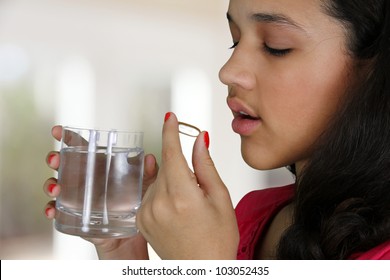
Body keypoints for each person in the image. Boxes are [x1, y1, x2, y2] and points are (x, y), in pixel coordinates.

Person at [43, 0, 390, 259]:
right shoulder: (251, 216)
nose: (228, 71)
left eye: (275, 46)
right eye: (234, 41)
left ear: (374, 71)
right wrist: (126, 257)